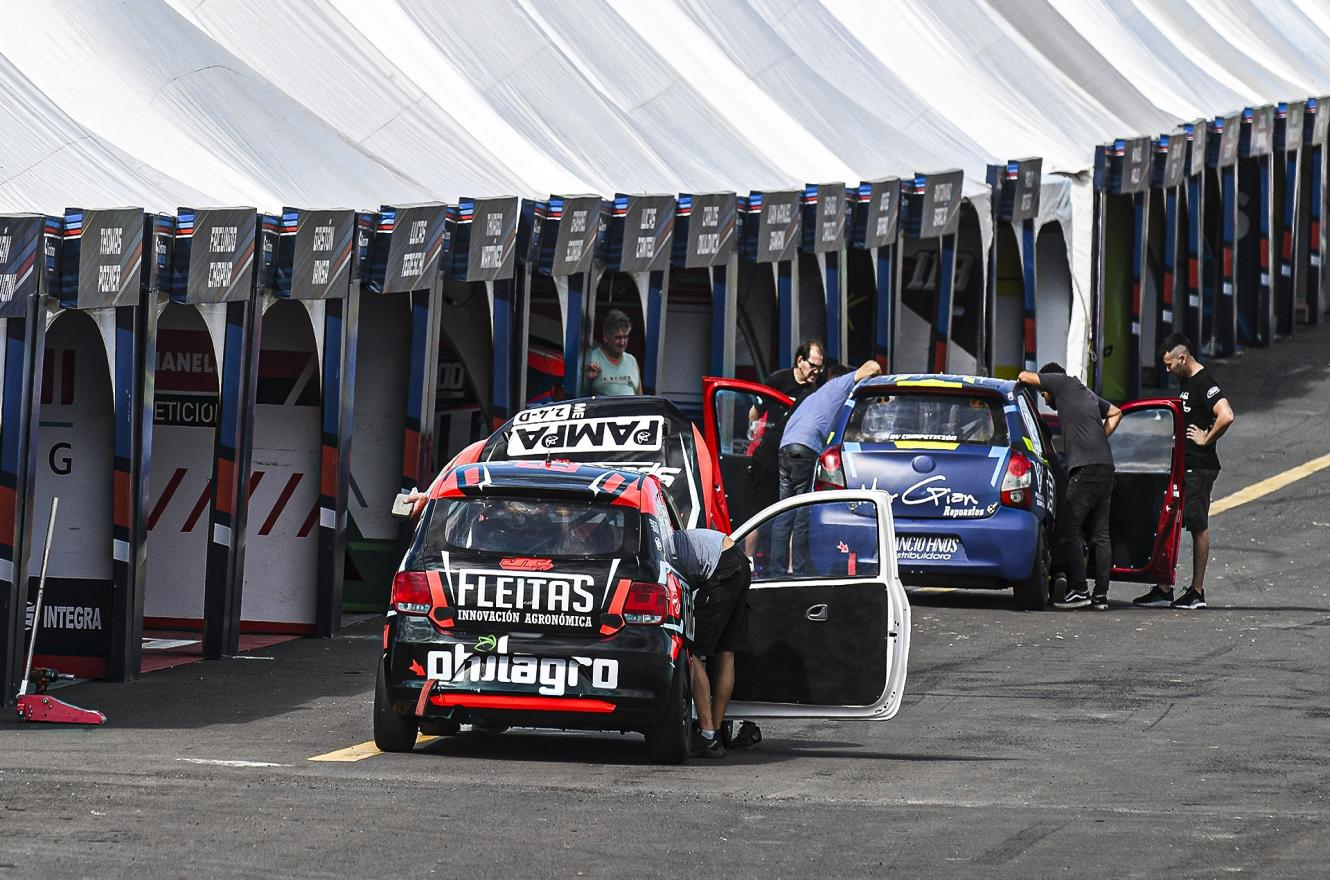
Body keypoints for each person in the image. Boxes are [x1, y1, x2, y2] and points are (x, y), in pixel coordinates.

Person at [1134, 333, 1235, 610]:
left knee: (1197, 525)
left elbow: (1226, 415)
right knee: (1171, 523)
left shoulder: (1204, 382)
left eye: (1169, 365)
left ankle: (1197, 592)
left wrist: (1207, 438)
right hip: (1183, 466)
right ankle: (1164, 588)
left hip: (1199, 468)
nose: (1167, 370)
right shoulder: (1186, 381)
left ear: (1182, 357)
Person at [1018, 363, 1123, 610]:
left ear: (1050, 382)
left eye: (1044, 394)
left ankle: (1079, 589)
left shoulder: (1062, 383)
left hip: (1085, 469)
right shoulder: (1084, 391)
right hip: (1106, 466)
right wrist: (1097, 438)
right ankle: (1100, 596)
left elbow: (1023, 376)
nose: (1045, 400)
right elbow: (1116, 412)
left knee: (1068, 527)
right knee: (1101, 533)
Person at [771, 359, 883, 575]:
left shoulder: (815, 397)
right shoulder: (841, 385)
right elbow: (871, 366)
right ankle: (802, 571)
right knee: (802, 514)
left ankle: (775, 571)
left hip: (785, 449)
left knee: (784, 513)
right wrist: (878, 381)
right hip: (805, 449)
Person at [672, 528, 758, 758]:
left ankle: (708, 735)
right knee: (724, 652)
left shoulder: (663, 549)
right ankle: (715, 734)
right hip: (738, 561)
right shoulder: (675, 538)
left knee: (690, 650)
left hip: (722, 567)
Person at [748, 340, 827, 512]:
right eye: (813, 365)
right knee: (760, 512)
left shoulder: (818, 388)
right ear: (800, 361)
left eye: (820, 368)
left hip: (797, 459)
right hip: (770, 454)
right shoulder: (779, 380)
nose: (816, 371)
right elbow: (754, 414)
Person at [584, 309, 641, 396]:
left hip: (631, 409)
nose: (622, 342)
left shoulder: (632, 361)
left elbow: (640, 399)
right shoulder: (591, 358)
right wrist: (588, 379)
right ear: (606, 337)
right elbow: (579, 397)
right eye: (618, 338)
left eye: (625, 337)